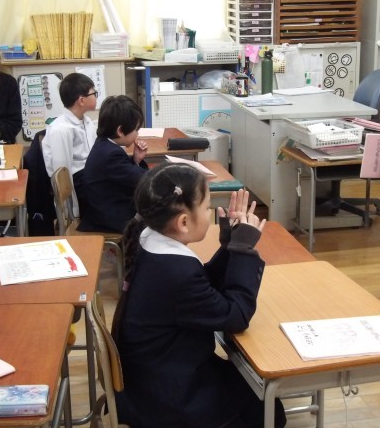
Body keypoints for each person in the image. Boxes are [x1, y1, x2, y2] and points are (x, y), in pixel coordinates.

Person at [111, 163, 287, 428]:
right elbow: (236, 316)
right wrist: (243, 251)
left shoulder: (150, 241)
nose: (209, 213)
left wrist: (230, 245)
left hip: (154, 380)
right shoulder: (176, 273)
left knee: (258, 395)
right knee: (269, 410)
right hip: (171, 399)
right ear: (183, 222)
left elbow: (204, 288)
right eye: (206, 208)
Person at [78, 95, 148, 233]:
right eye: (136, 129)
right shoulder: (111, 155)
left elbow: (128, 174)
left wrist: (136, 160)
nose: (137, 134)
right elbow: (142, 179)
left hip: (104, 210)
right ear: (120, 131)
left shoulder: (104, 144)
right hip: (109, 219)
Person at [42, 72, 97, 218]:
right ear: (81, 100)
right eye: (94, 93)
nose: (96, 97)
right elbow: (62, 173)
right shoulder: (61, 129)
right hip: (79, 185)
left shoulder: (87, 122)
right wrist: (71, 211)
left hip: (90, 176)